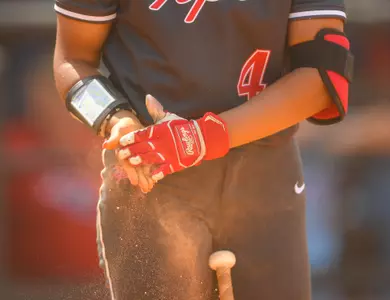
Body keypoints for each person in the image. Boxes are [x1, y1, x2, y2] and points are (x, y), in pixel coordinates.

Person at [52, 0, 353, 299]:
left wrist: (205, 137)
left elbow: (323, 75)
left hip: (265, 173)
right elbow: (72, 61)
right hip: (151, 169)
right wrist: (116, 119)